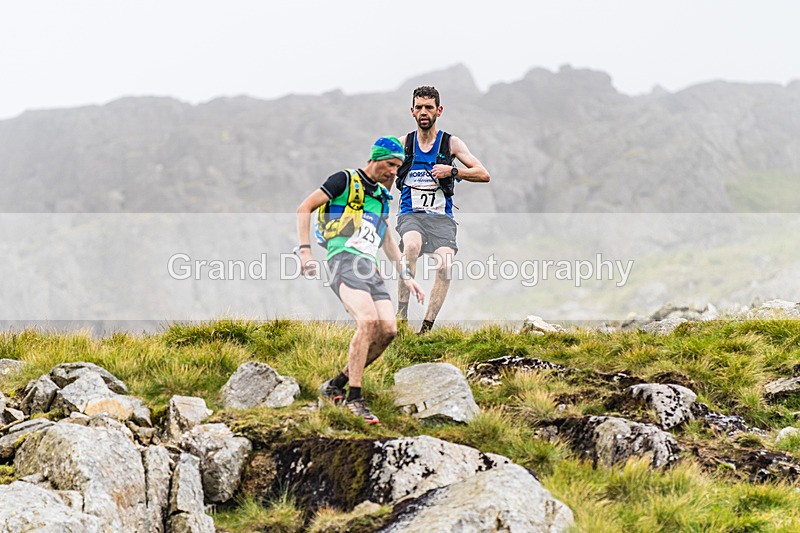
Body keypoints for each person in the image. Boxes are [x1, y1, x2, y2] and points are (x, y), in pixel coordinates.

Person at [296, 136, 425, 425]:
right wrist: (305, 252)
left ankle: (336, 384)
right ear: (376, 159)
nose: (394, 172)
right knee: (367, 322)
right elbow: (304, 207)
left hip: (371, 267)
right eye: (390, 165)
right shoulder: (343, 180)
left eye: (398, 167)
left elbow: (387, 239)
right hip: (342, 260)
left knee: (389, 330)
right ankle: (355, 398)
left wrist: (406, 276)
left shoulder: (381, 197)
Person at [395, 86, 490, 333]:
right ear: (412, 111)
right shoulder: (404, 144)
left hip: (441, 219)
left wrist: (453, 170)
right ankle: (401, 317)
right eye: (419, 107)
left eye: (429, 107)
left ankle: (426, 329)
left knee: (445, 266)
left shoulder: (451, 143)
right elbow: (380, 172)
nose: (424, 112)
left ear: (439, 110)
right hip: (410, 214)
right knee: (412, 246)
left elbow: (483, 174)